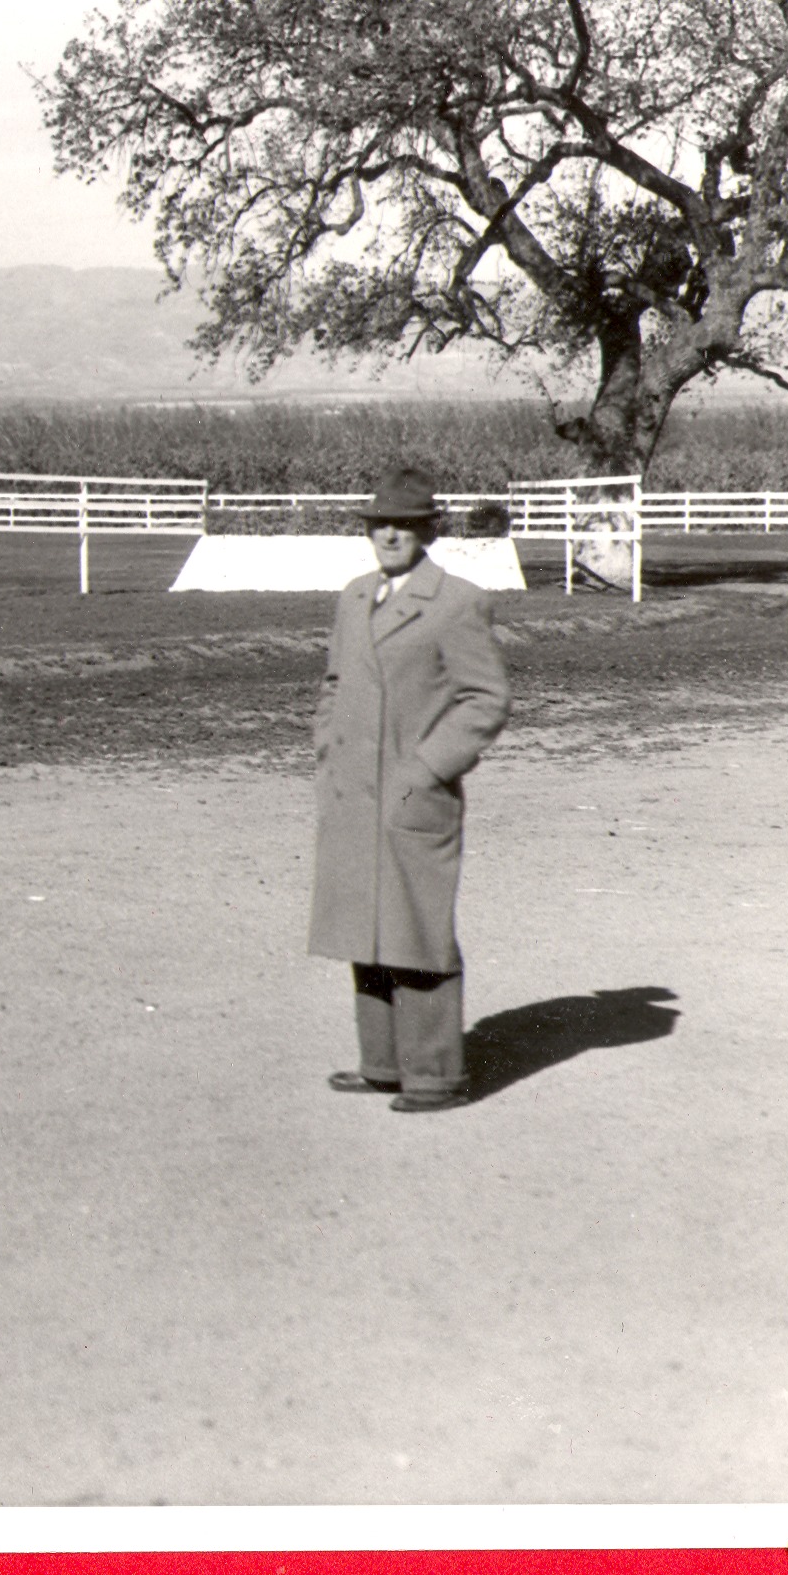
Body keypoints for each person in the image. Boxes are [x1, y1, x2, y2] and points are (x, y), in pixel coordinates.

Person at [309, 466, 511, 1112]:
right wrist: (326, 749)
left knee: (414, 928)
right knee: (361, 925)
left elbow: (485, 699)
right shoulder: (354, 594)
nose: (389, 534)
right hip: (351, 791)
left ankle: (435, 1075)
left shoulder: (456, 601)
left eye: (404, 524)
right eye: (379, 524)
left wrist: (423, 769)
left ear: (427, 531)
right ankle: (382, 1064)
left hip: (408, 792)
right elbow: (335, 682)